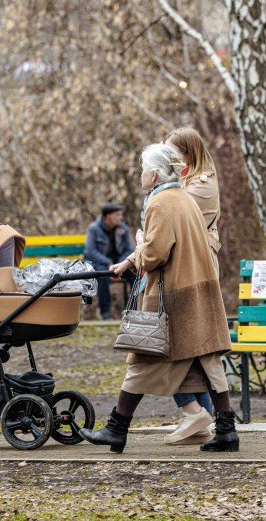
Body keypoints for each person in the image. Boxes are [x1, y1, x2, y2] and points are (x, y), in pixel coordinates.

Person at [79, 144, 238, 454]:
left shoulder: (160, 203)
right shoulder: (183, 197)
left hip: (174, 297)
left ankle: (116, 429)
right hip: (200, 290)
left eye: (142, 170)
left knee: (141, 360)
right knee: (209, 362)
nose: (141, 175)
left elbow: (155, 255)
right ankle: (227, 431)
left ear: (152, 174)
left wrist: (139, 243)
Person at [162, 127, 222, 445]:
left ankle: (201, 414)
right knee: (192, 347)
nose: (168, 160)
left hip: (195, 271)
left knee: (186, 344)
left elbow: (168, 223)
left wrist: (144, 241)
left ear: (188, 153)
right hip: (186, 269)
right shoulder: (187, 182)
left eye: (173, 154)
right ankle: (201, 417)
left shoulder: (200, 186)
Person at [84, 203, 135, 319]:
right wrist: (108, 263)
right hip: (101, 264)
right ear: (108, 217)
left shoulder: (123, 229)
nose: (120, 218)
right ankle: (105, 313)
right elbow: (90, 252)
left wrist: (122, 264)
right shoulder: (94, 229)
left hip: (119, 263)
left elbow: (129, 250)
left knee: (135, 275)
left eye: (121, 215)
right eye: (117, 215)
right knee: (102, 275)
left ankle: (134, 311)